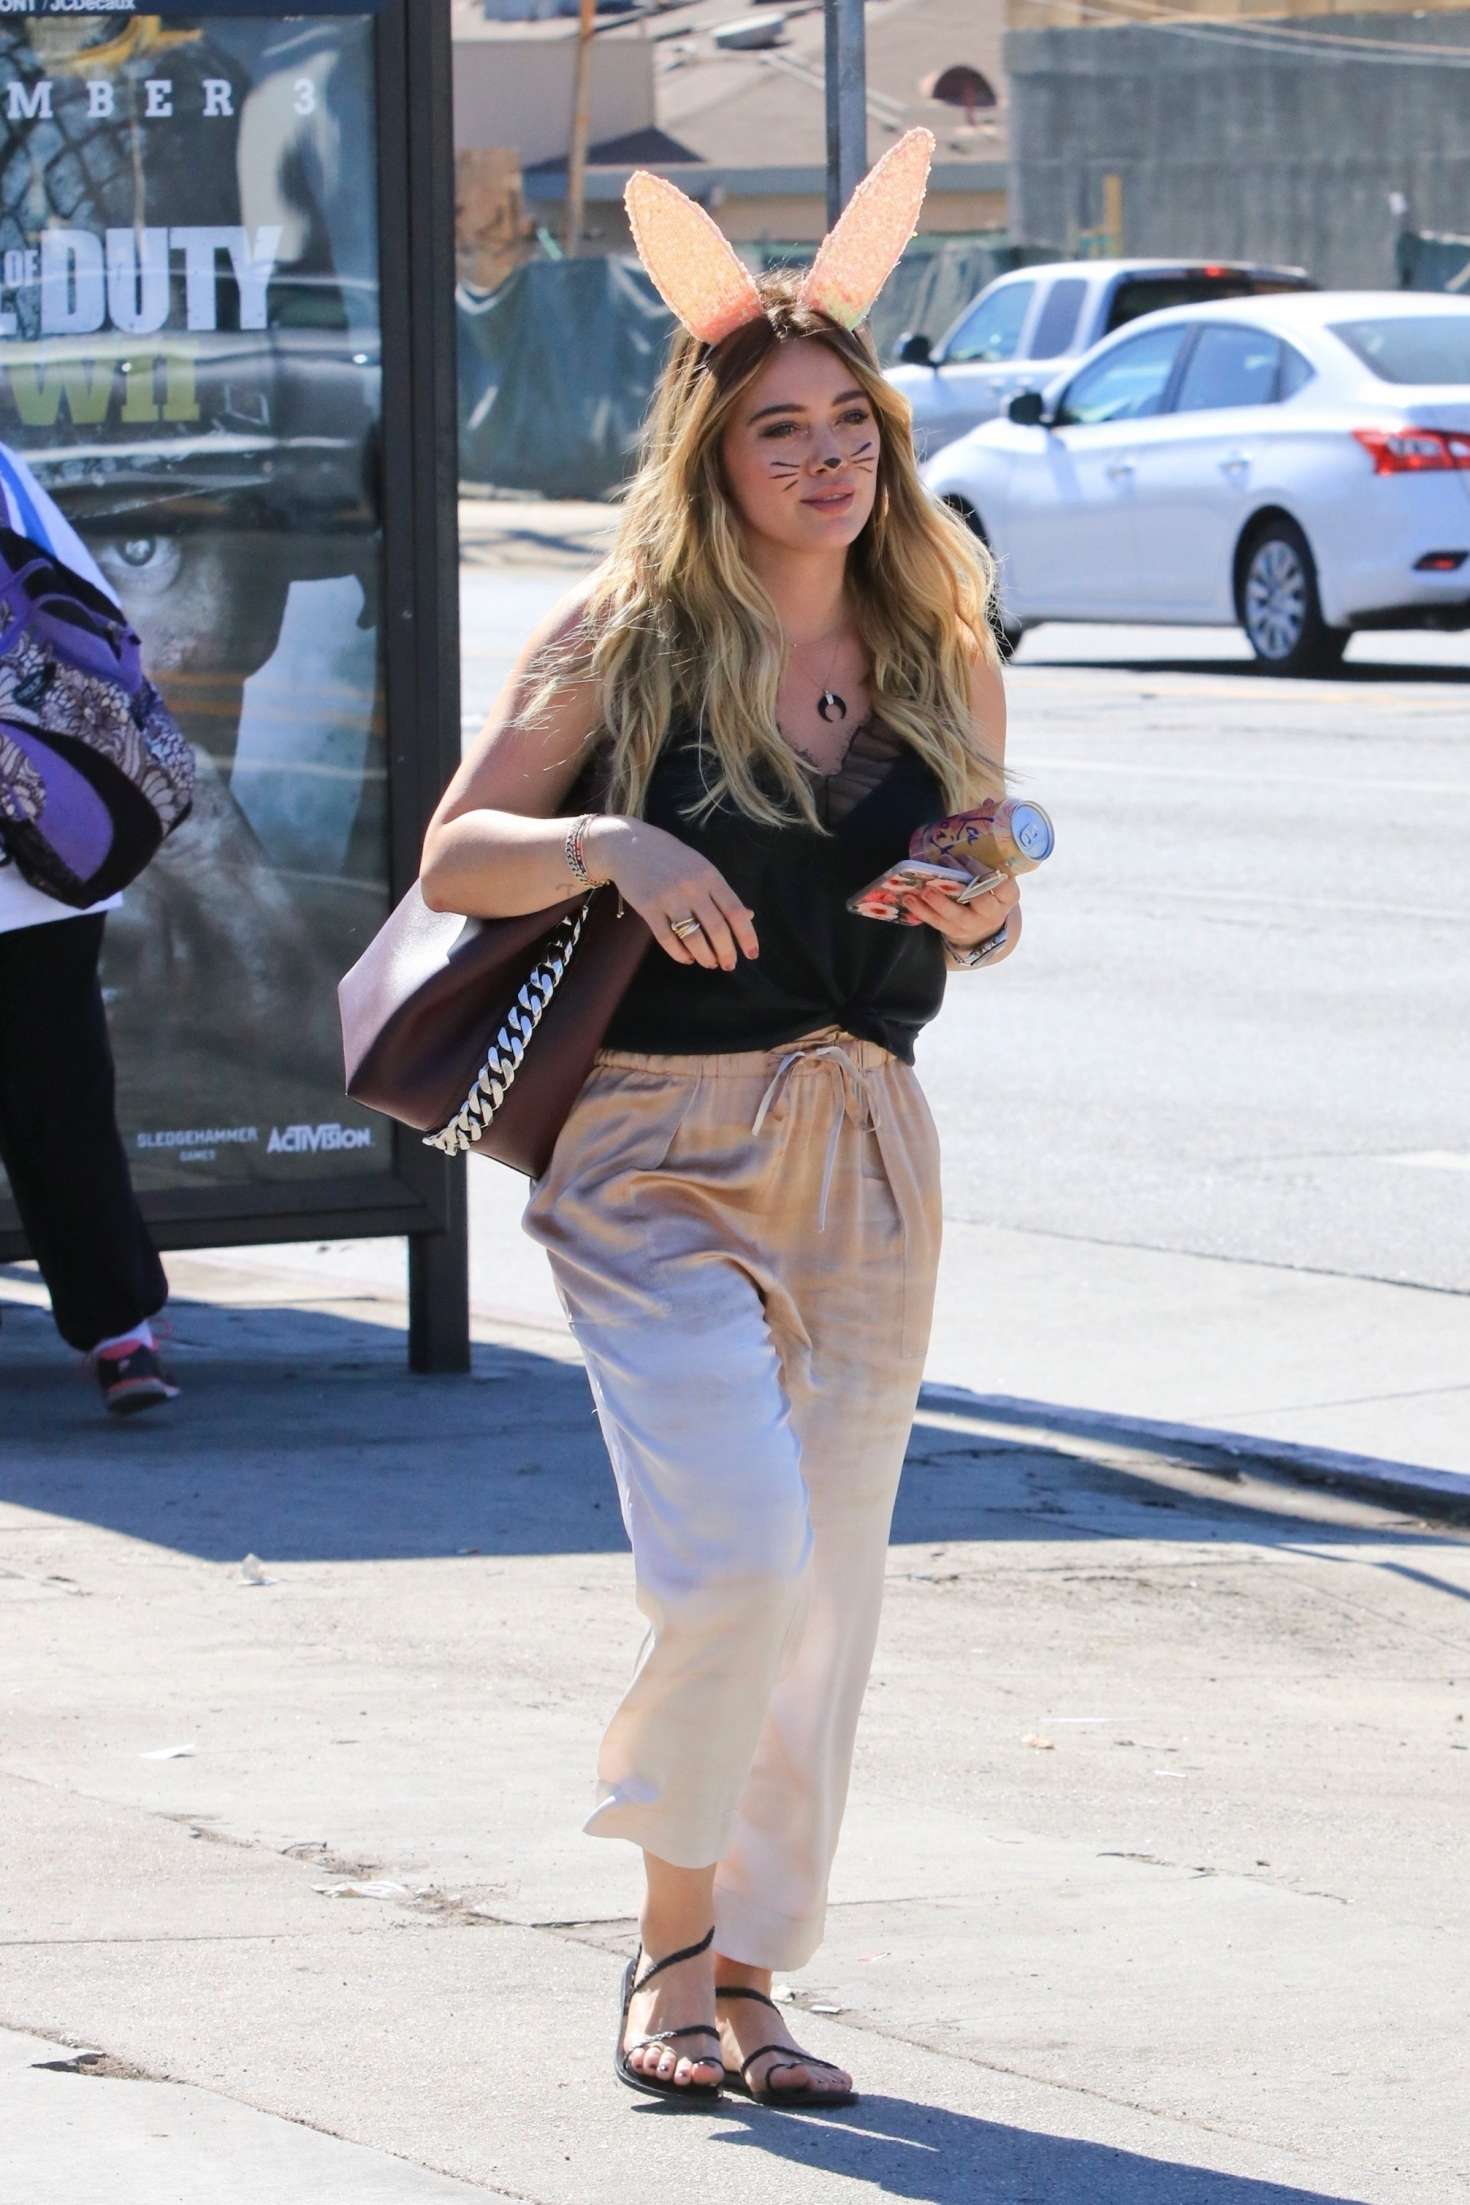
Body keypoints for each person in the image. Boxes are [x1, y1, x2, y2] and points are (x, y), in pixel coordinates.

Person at [421, 133, 1023, 2108]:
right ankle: (669, 1942)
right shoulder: (627, 637)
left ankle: (752, 1973)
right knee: (739, 1558)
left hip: (868, 1142)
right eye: (783, 429)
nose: (827, 459)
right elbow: (457, 857)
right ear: (714, 450)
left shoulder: (940, 640)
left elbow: (994, 892)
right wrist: (608, 836)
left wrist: (976, 899)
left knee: (827, 1594)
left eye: (852, 424)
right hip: (654, 1150)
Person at [0, 443, 176, 1413]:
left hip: (32, 856)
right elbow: (85, 611)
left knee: (59, 1093)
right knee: (61, 1097)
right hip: (47, 841)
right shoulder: (4, 471)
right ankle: (120, 1337)